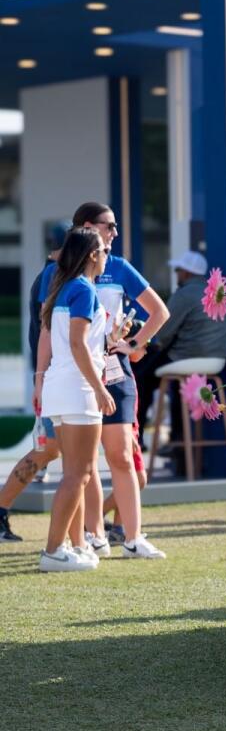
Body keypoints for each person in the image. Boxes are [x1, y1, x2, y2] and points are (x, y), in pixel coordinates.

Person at [34, 202, 169, 560]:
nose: (115, 235)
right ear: (89, 229)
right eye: (109, 227)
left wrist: (132, 344)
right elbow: (54, 334)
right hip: (79, 380)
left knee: (118, 457)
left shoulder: (117, 269)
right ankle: (84, 539)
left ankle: (128, 537)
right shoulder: (63, 278)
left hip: (108, 371)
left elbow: (159, 311)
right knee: (82, 467)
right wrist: (38, 377)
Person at [36, 228, 112, 571]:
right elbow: (79, 344)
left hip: (60, 387)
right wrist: (99, 387)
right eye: (104, 250)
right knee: (79, 474)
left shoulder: (64, 287)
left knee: (74, 473)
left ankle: (75, 544)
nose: (107, 254)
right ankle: (53, 550)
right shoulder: (82, 288)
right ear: (93, 255)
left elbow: (73, 343)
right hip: (78, 389)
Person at [0, 222, 70, 542]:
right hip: (58, 380)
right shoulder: (55, 277)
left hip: (54, 378)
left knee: (52, 451)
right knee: (49, 452)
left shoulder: (50, 275)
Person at [134, 251, 226, 453]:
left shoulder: (184, 294)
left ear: (186, 273)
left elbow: (164, 333)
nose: (176, 274)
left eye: (178, 270)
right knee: (174, 382)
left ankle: (138, 437)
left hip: (186, 357)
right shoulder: (217, 291)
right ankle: (178, 441)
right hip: (218, 359)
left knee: (143, 377)